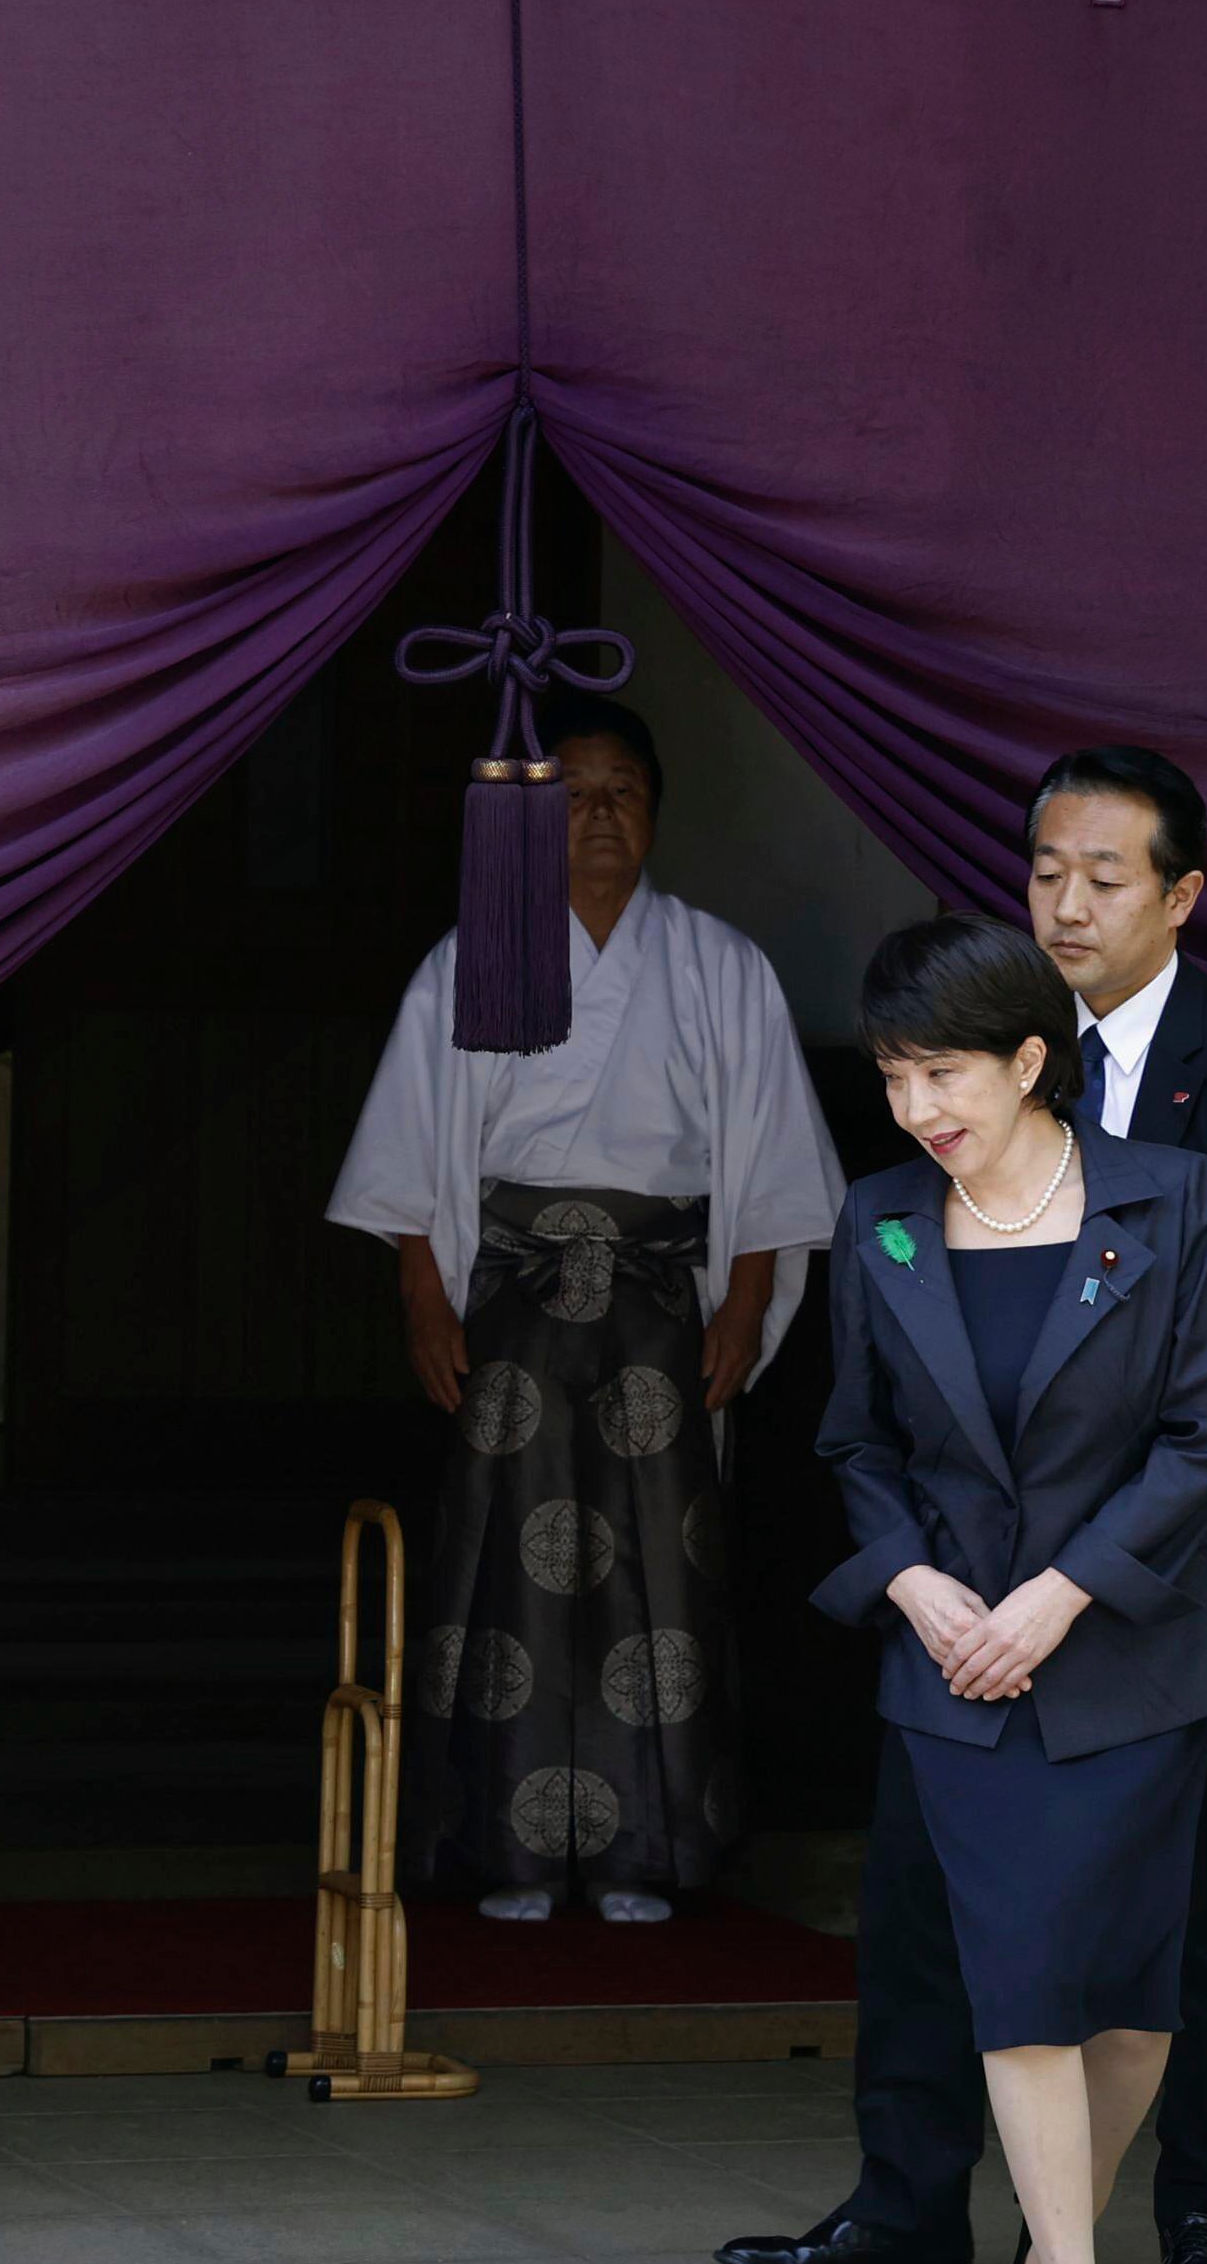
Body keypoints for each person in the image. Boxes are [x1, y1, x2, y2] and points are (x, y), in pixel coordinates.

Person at [722, 746, 1207, 2264]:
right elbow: (865, 1420)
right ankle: (907, 2207)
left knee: (1192, 1914)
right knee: (927, 1903)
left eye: (1107, 877)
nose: (1071, 901)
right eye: (1045, 871)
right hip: (959, 1600)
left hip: (1171, 1584)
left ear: (1182, 896)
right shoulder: (928, 1120)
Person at [796, 913, 1207, 2264]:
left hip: (1130, 1657)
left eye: (947, 1073)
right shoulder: (880, 1225)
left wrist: (1057, 1599)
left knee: (1130, 2003)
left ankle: (1048, 2237)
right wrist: (919, 1588)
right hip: (955, 1672)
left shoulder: (1168, 1199)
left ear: (1028, 1061)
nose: (921, 1106)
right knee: (1023, 1991)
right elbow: (855, 1445)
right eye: (895, 1077)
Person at [327, 696, 845, 1922]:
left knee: (662, 1565)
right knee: (506, 1561)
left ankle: (644, 1849)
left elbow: (771, 1160)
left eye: (623, 790)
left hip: (664, 1298)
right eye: (574, 792)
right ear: (531, 822)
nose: (601, 812)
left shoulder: (719, 964)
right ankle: (505, 1846)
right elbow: (412, 1144)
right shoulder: (474, 960)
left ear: (655, 811)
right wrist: (420, 1290)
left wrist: (745, 1302)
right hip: (512, 1297)